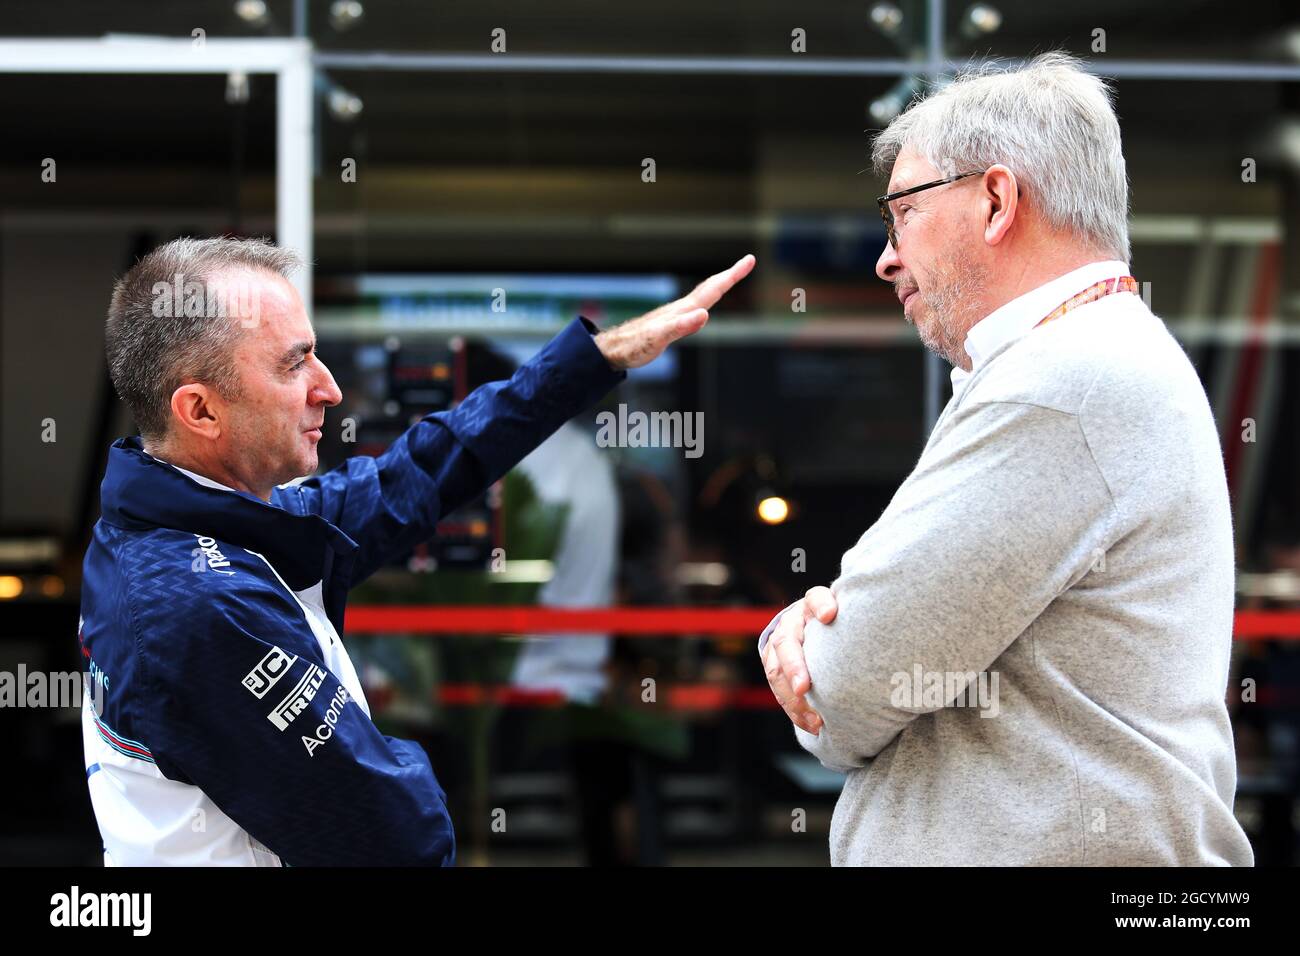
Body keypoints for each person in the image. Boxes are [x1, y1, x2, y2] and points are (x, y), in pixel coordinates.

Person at [79, 236, 754, 866]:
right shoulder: (197, 601)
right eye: (294, 364)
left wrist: (598, 357)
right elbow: (397, 831)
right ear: (200, 412)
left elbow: (425, 469)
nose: (330, 388)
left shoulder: (209, 522)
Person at [759, 52, 1253, 865]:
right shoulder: (1095, 361)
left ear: (995, 200)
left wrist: (793, 633)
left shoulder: (1057, 385)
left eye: (901, 215)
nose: (885, 257)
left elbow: (844, 691)